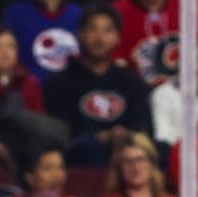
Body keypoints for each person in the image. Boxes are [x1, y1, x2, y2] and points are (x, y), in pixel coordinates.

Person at [46, 4, 152, 163]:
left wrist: (124, 136)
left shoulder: (131, 81)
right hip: (79, 161)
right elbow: (61, 137)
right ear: (80, 34)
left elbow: (143, 127)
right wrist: (99, 138)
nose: (100, 38)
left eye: (108, 30)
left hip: (125, 158)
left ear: (117, 38)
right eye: (93, 29)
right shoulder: (60, 82)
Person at [0, 23, 60, 173]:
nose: (5, 52)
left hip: (23, 144)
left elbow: (38, 118)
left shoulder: (28, 81)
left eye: (10, 46)